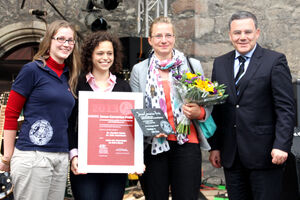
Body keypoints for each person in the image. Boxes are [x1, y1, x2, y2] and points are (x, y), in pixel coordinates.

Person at [208, 11, 295, 200]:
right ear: (230, 35)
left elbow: (285, 108)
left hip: (266, 155)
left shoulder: (274, 61)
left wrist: (282, 145)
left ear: (257, 32)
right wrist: (214, 147)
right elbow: (217, 109)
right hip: (231, 155)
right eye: (237, 33)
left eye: (248, 32)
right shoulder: (220, 63)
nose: (242, 37)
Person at [130, 16, 212, 200]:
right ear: (150, 40)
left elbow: (207, 102)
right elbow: (136, 108)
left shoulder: (192, 65)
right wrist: (150, 128)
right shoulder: (139, 70)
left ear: (174, 38)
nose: (164, 40)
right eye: (158, 36)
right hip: (153, 145)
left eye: (168, 35)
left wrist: (200, 112)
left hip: (187, 144)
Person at [0, 20, 81, 200]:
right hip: (33, 156)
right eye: (61, 39)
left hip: (60, 157)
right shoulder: (32, 70)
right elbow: (12, 113)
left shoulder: (70, 76)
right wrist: (7, 157)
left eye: (70, 40)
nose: (66, 44)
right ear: (49, 41)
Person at [68, 31, 131, 200]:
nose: (105, 58)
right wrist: (74, 155)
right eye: (100, 53)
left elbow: (130, 128)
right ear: (90, 55)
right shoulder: (77, 85)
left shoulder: (124, 87)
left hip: (115, 166)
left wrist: (135, 158)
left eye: (109, 53)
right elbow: (70, 124)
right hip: (84, 165)